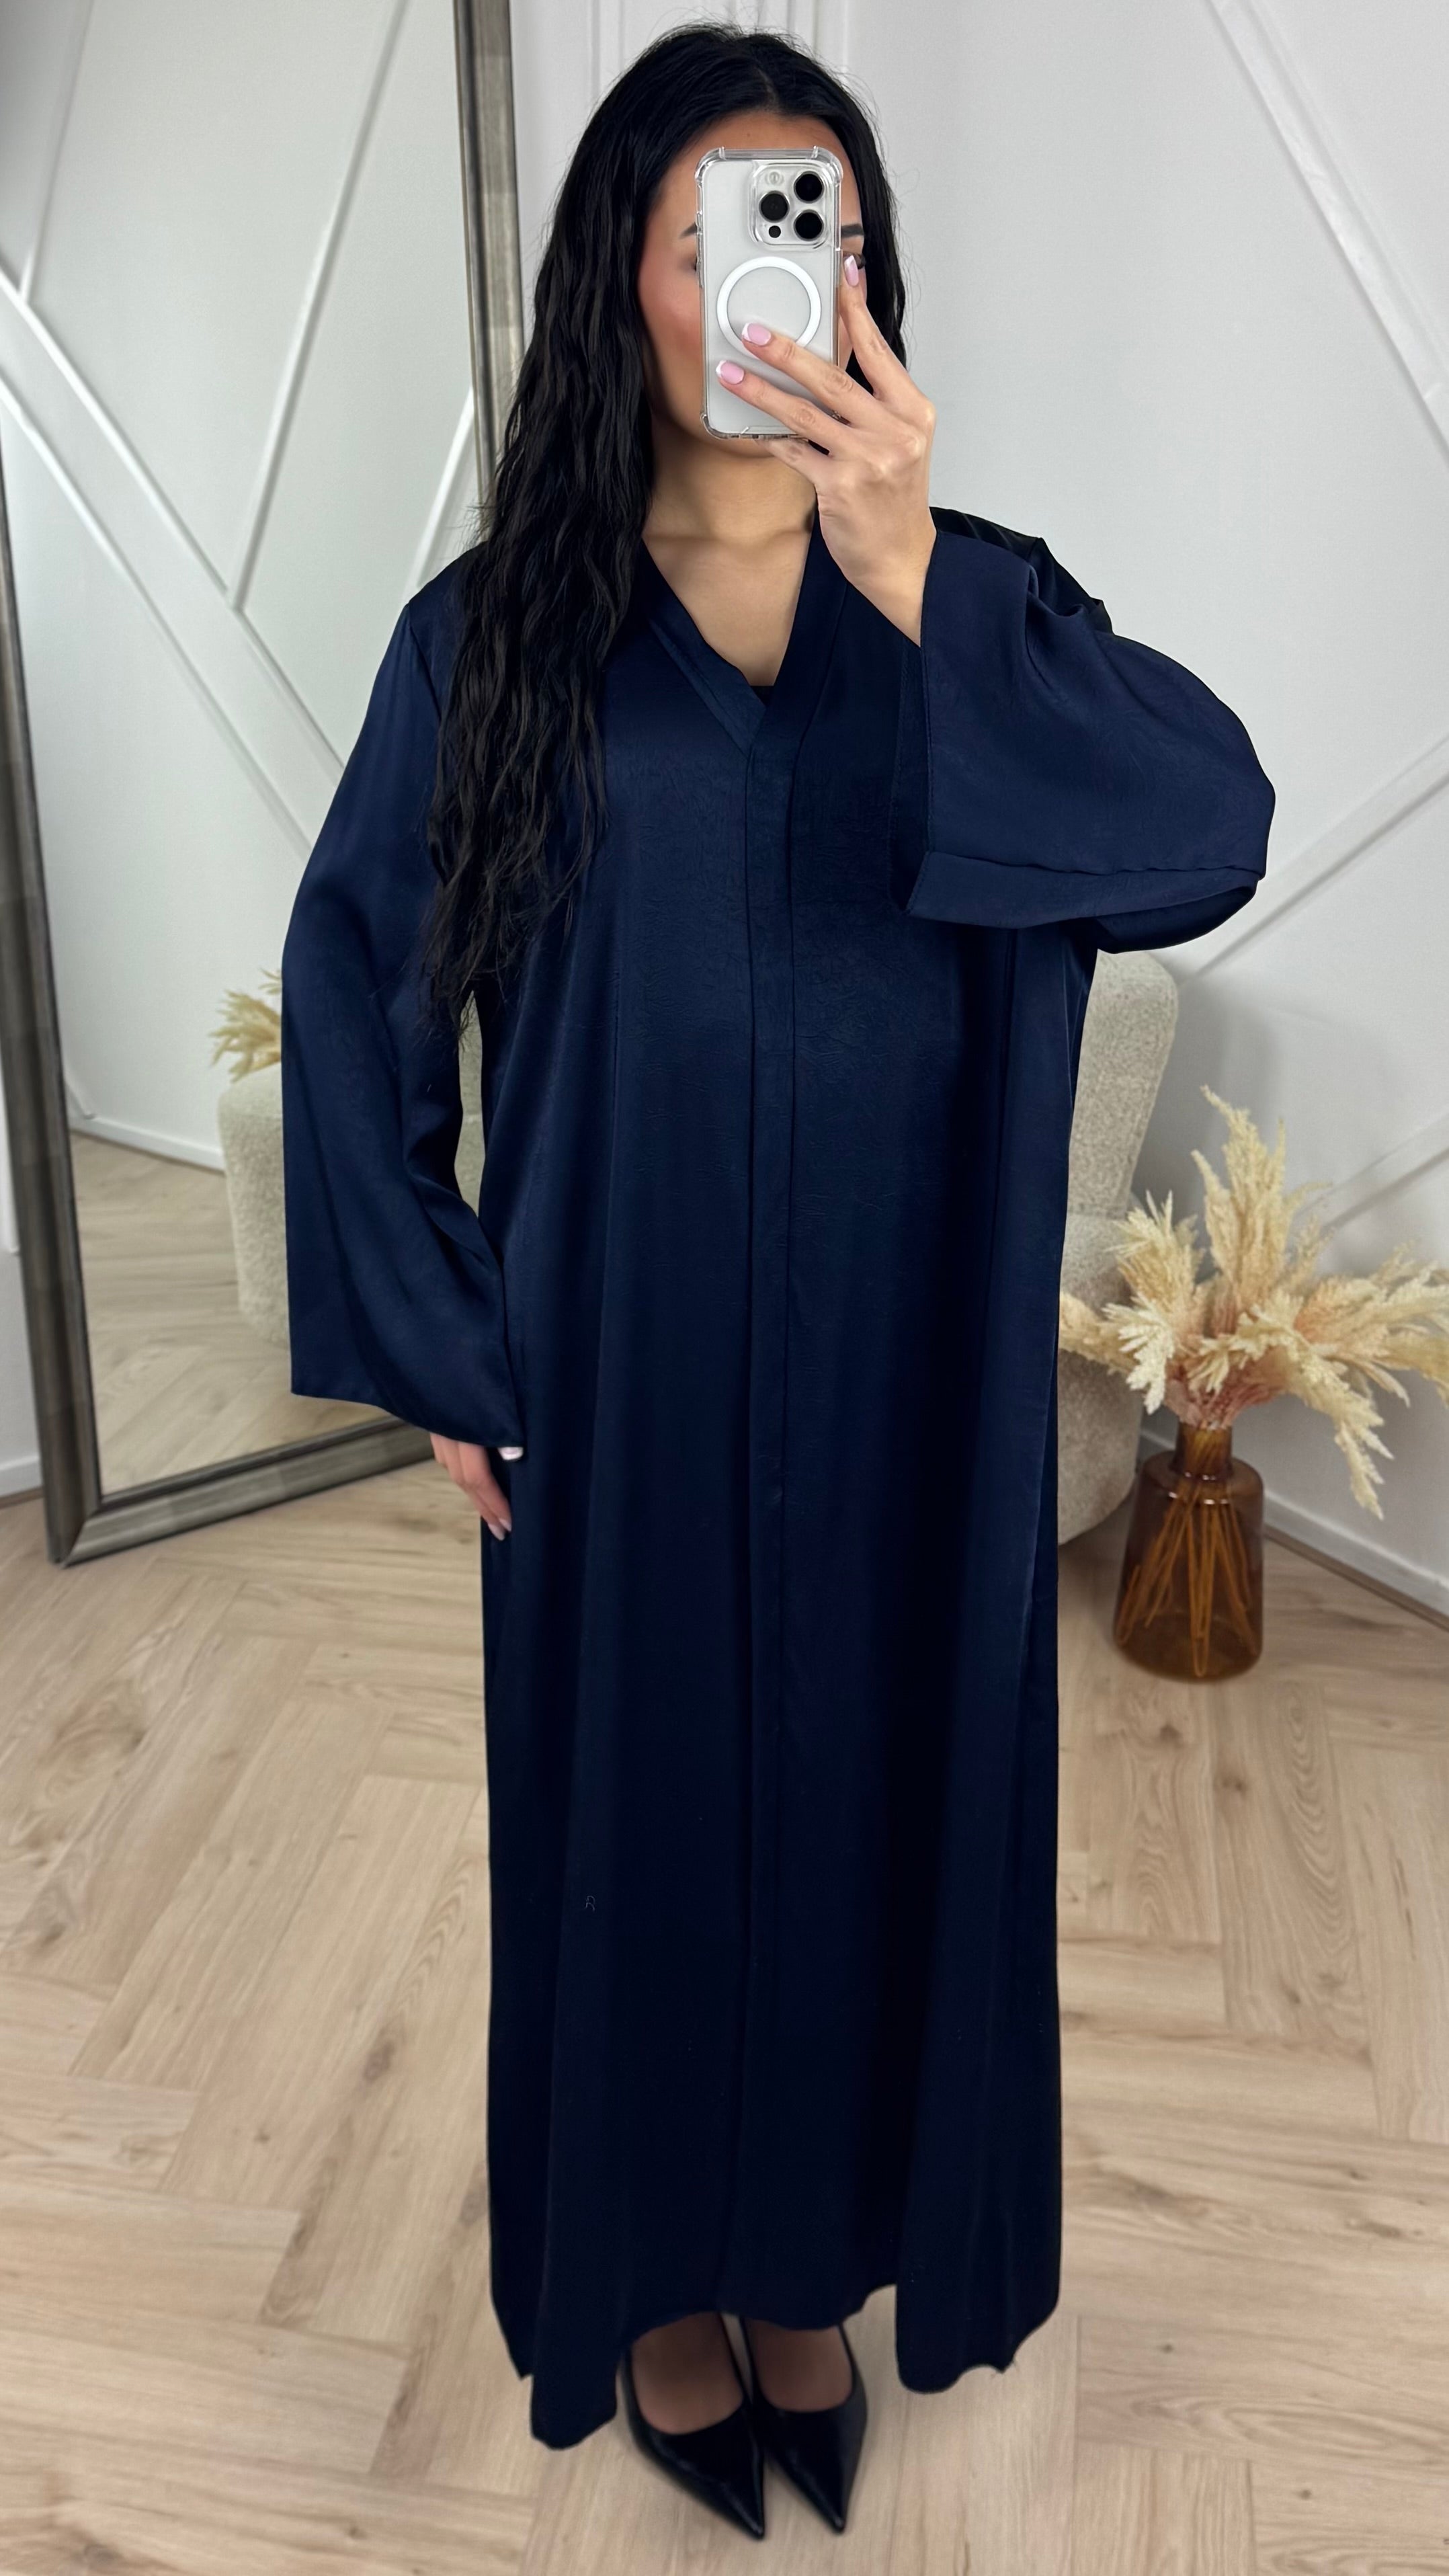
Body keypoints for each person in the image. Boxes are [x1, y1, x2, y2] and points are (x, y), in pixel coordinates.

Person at [279, 22, 1274, 2544]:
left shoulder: (980, 603)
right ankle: (651, 2278)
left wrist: (913, 576)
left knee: (872, 1806)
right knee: (631, 1822)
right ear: (621, 276)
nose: (763, 274)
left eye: (808, 222)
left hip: (908, 1362)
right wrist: (438, 1338)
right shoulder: (497, 636)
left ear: (859, 279)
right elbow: (358, 965)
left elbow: (1203, 827)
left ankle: (808, 2257)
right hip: (613, 1350)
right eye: (708, 223)